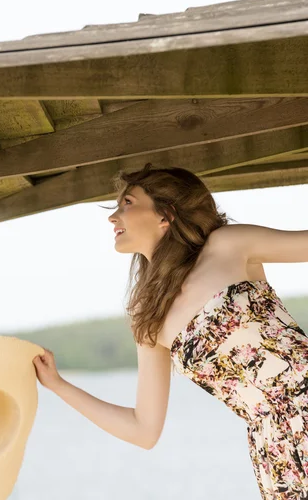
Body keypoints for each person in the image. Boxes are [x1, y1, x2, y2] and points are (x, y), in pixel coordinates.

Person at [33, 163, 308, 499]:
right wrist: (59, 385)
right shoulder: (149, 319)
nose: (112, 217)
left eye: (127, 203)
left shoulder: (228, 246)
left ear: (166, 215)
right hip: (277, 451)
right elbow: (144, 430)